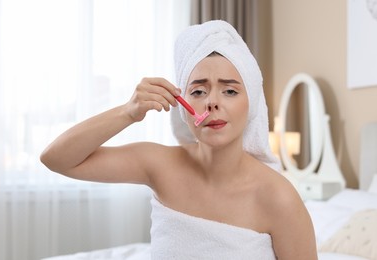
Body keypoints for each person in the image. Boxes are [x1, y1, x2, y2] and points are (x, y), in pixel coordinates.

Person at [41, 20, 318, 259]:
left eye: (230, 91)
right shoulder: (160, 165)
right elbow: (56, 158)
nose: (212, 102)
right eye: (198, 92)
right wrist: (128, 112)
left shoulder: (279, 198)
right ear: (182, 107)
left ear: (252, 103)